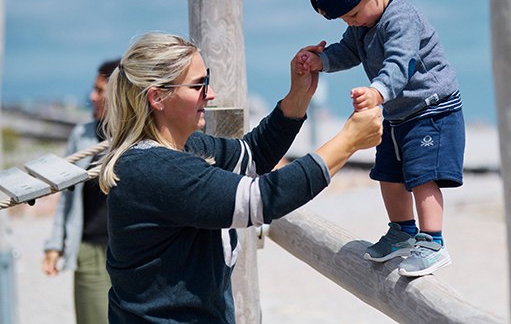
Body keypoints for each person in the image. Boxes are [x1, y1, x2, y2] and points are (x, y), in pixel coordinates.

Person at [97, 33, 382, 323]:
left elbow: (253, 155)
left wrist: (298, 97)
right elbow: (260, 199)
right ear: (157, 97)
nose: (210, 94)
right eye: (199, 85)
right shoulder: (153, 168)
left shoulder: (184, 148)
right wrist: (348, 141)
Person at [298, 0, 465, 277]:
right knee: (388, 174)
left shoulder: (402, 19)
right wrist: (323, 60)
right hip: (398, 114)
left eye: (353, 16)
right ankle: (402, 231)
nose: (351, 23)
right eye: (345, 19)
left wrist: (376, 92)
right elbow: (349, 50)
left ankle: (433, 242)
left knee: (422, 177)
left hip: (432, 110)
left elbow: (400, 63)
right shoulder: (364, 22)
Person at [42, 58, 120, 324]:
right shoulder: (82, 136)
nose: (92, 96)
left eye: (99, 91)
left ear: (119, 94)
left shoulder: (138, 136)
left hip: (133, 254)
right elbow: (66, 195)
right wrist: (55, 245)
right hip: (90, 251)